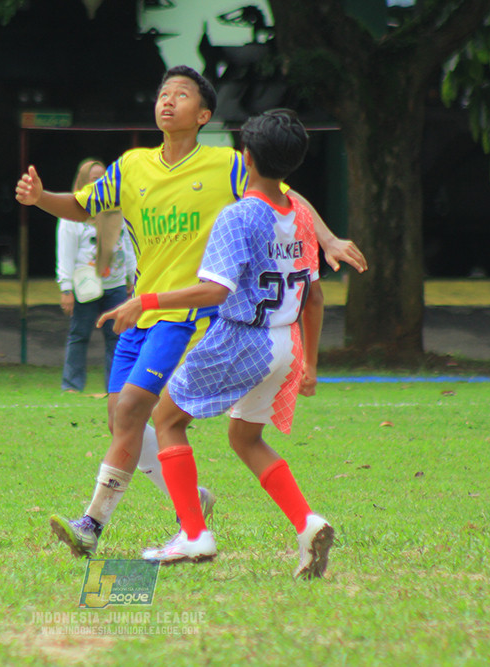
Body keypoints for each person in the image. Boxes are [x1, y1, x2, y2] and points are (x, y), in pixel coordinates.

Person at [15, 65, 366, 558]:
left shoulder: (227, 164)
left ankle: (94, 525)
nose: (167, 101)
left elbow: (282, 192)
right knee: (120, 417)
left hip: (189, 312)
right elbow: (82, 205)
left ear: (203, 114)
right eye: (163, 93)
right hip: (142, 311)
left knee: (142, 410)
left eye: (181, 95)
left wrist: (327, 238)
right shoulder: (133, 165)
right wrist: (40, 199)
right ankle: (190, 506)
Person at [100, 108, 331, 578]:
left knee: (165, 419)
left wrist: (146, 300)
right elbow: (315, 294)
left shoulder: (239, 215)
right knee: (245, 437)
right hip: (285, 344)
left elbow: (216, 292)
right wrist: (310, 363)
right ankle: (308, 523)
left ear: (245, 157)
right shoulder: (302, 216)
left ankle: (193, 535)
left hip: (242, 338)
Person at [56, 159, 136, 393]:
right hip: (85, 286)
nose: (100, 183)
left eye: (104, 178)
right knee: (79, 335)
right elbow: (66, 254)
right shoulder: (73, 214)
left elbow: (128, 246)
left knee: (117, 338)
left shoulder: (119, 211)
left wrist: (132, 277)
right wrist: (66, 289)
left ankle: (116, 386)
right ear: (83, 182)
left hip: (117, 285)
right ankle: (72, 385)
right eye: (94, 179)